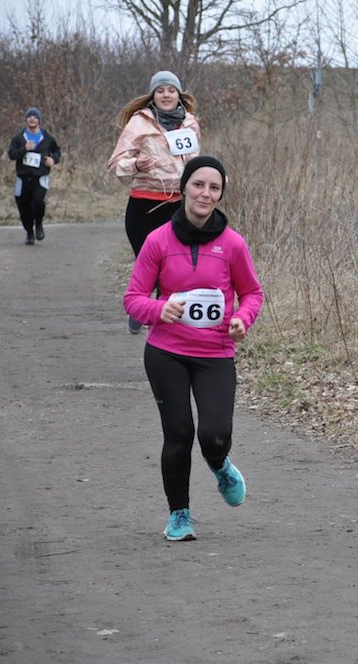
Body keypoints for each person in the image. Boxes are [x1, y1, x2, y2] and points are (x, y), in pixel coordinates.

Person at [123, 156, 264, 542]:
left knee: (214, 436)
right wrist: (159, 309)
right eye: (198, 185)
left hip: (215, 354)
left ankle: (220, 465)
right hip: (166, 352)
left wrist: (242, 320)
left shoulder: (232, 244)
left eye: (214, 188)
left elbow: (252, 293)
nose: (205, 193)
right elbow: (133, 299)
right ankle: (179, 515)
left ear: (221, 194)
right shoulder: (158, 241)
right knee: (179, 433)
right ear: (184, 188)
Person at [109, 70, 201, 334]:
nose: (166, 95)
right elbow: (115, 165)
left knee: (171, 267)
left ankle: (161, 322)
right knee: (146, 264)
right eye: (160, 91)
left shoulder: (190, 123)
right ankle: (139, 305)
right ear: (153, 95)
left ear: (178, 94)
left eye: (171, 90)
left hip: (178, 204)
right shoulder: (139, 123)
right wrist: (136, 165)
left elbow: (194, 162)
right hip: (144, 206)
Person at [7, 107, 62, 245]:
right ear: (26, 119)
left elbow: (57, 151)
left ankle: (38, 225)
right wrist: (24, 149)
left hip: (40, 177)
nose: (32, 119)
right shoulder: (19, 138)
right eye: (29, 116)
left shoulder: (47, 138)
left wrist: (53, 160)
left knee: (38, 202)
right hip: (23, 178)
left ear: (39, 120)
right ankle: (29, 232)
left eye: (35, 116)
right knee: (23, 206)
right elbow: (11, 154)